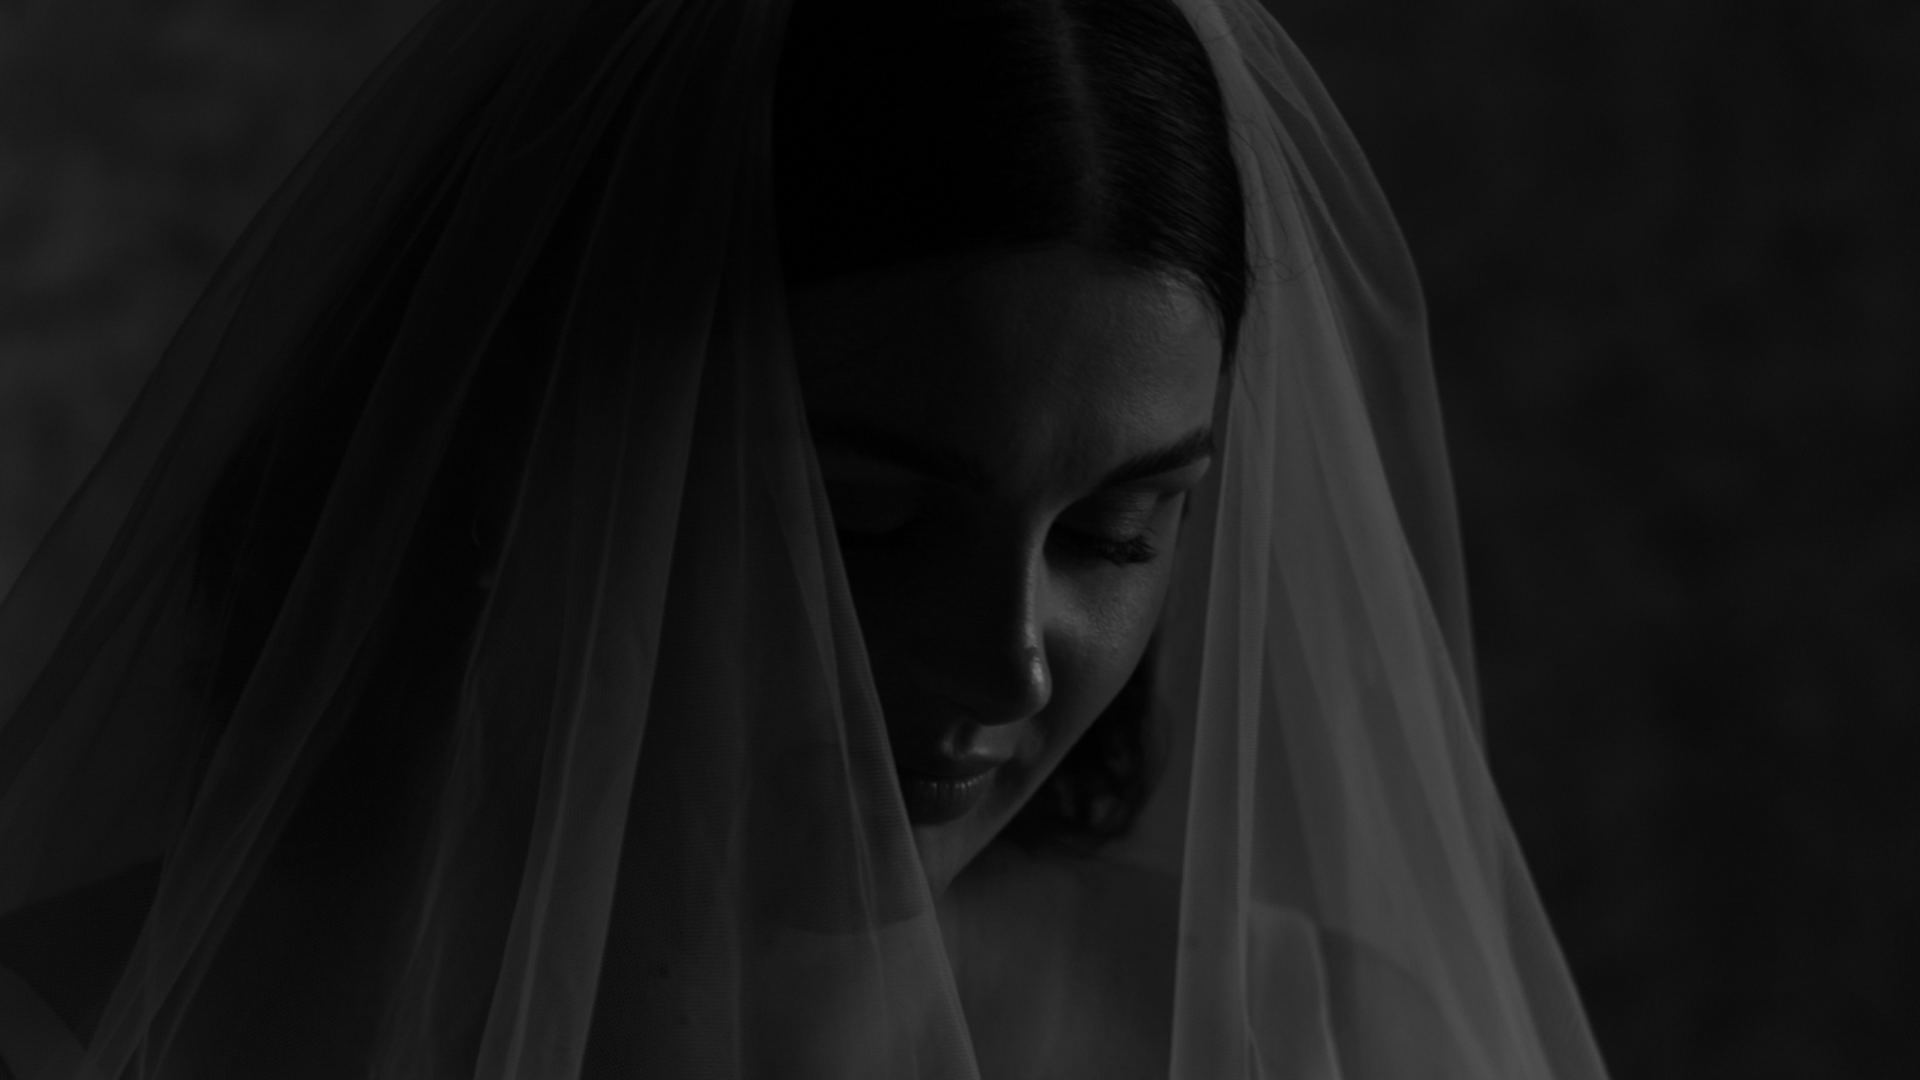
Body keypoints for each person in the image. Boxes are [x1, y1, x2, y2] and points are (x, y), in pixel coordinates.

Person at [0, 0, 1612, 1076]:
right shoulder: (96, 1018)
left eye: (1120, 531)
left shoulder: (1301, 1039)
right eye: (865, 520)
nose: (1007, 659)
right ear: (519, 452)